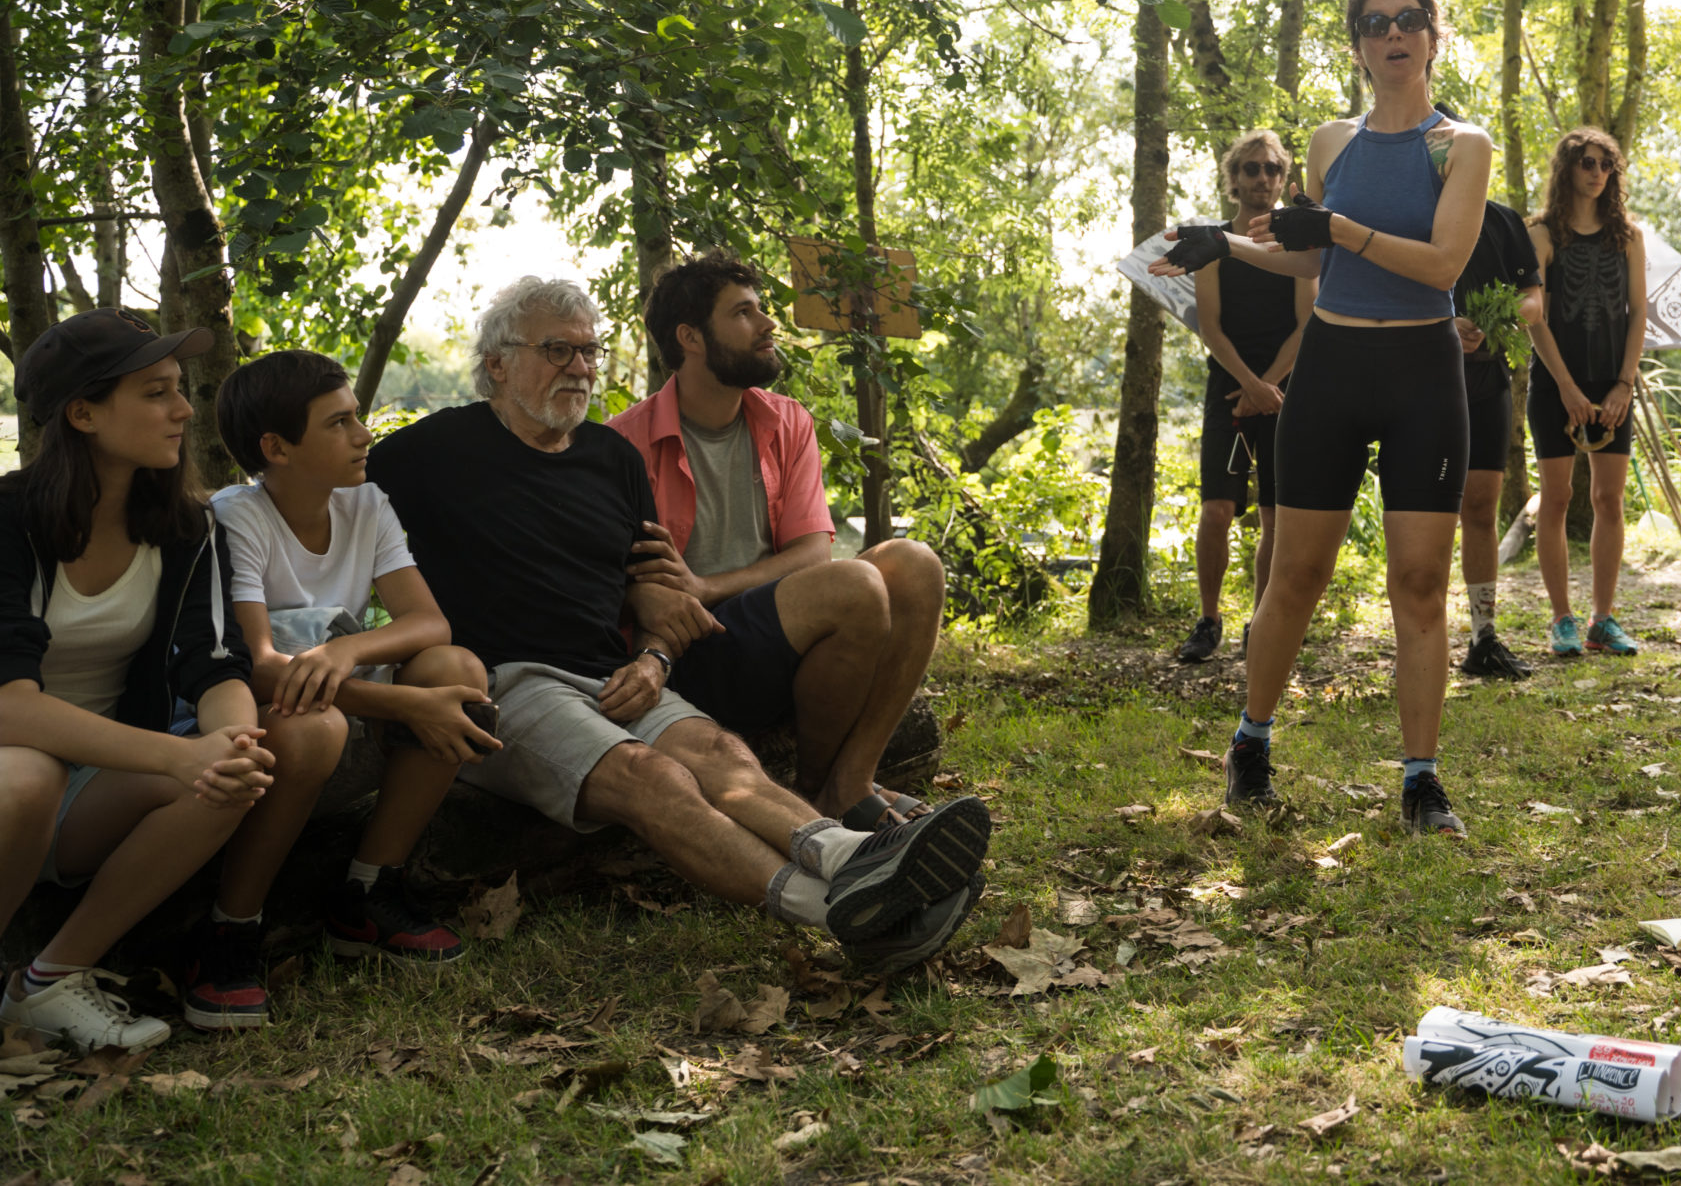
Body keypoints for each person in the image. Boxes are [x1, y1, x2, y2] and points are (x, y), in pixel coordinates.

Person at [370, 277, 990, 979]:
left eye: (588, 350)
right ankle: (841, 911)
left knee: (724, 755)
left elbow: (657, 596)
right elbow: (312, 504)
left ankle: (851, 856)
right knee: (654, 777)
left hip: (621, 676)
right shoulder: (428, 453)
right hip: (508, 684)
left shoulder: (612, 460)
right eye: (556, 349)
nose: (579, 365)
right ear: (497, 365)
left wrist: (658, 659)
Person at [1151, 0, 1490, 836]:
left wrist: (1336, 228)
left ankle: (1421, 780)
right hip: (1333, 367)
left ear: (1432, 35)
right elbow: (1311, 261)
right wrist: (1218, 243)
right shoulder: (1330, 142)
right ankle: (1251, 745)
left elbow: (1443, 264)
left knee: (1419, 584)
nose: (1393, 33)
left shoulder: (1461, 146)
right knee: (1295, 574)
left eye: (1409, 19)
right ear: (1359, 44)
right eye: (1375, 23)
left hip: (1421, 371)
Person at [0, 311, 316, 1050]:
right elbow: (10, 706)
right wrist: (180, 752)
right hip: (12, 775)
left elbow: (212, 660)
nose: (182, 409)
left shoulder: (186, 527)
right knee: (28, 776)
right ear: (82, 412)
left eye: (179, 389)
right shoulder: (7, 521)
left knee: (228, 775)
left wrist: (230, 740)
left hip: (94, 787)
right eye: (155, 392)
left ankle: (46, 983)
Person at [191, 350, 499, 1025]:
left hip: (342, 705)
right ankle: (231, 926)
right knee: (312, 723)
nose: (364, 434)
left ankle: (367, 894)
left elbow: (429, 621)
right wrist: (405, 702)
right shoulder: (235, 517)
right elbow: (256, 665)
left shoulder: (365, 502)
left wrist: (346, 648)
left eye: (357, 416)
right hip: (271, 738)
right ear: (277, 447)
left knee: (460, 671)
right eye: (339, 422)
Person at [609, 253, 951, 830]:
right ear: (690, 337)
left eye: (762, 309)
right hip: (685, 656)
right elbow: (619, 583)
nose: (769, 324)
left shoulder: (785, 420)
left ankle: (848, 782)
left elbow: (813, 550)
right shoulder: (622, 444)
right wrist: (681, 599)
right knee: (856, 584)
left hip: (771, 631)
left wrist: (706, 583)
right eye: (744, 313)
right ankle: (819, 792)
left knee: (915, 563)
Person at [1172, 132, 1315, 663]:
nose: (1262, 179)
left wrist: (1269, 386)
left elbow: (1307, 323)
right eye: (1252, 169)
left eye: (1272, 170)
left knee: (1275, 517)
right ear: (1234, 178)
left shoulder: (1296, 242)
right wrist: (1249, 387)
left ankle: (1263, 623)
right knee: (1216, 511)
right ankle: (1208, 621)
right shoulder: (1210, 242)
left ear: (1284, 179)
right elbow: (1209, 325)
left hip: (1284, 391)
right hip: (1228, 388)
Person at [1525, 128, 1648, 660]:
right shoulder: (1541, 233)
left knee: (1608, 499)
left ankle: (1603, 617)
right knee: (1556, 498)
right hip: (1556, 383)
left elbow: (1639, 312)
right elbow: (1534, 318)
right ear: (1568, 169)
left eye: (1605, 165)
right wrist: (1568, 390)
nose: (1596, 172)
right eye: (1586, 163)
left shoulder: (1629, 236)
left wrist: (1624, 384)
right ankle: (1561, 620)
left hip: (1612, 383)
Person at [1449, 119, 1546, 682]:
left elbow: (1533, 298)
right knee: (1428, 515)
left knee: (1481, 508)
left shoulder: (1505, 220)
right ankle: (1420, 631)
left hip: (1488, 380)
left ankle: (1483, 638)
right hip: (1421, 383)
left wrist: (1497, 318)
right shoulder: (1408, 216)